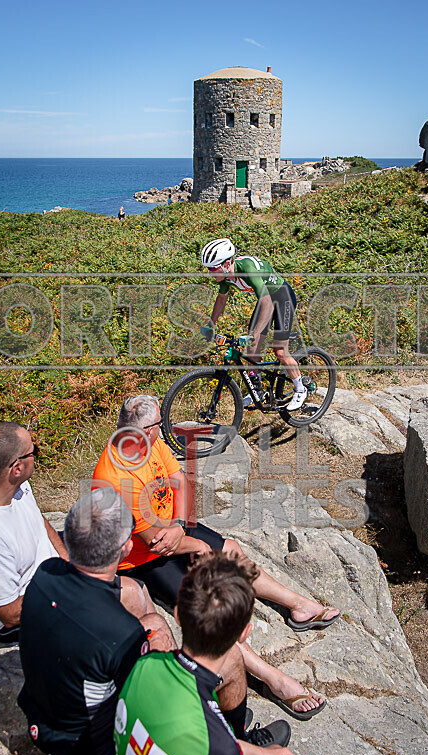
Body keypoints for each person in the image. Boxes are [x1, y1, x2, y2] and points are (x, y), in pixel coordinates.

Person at [93, 395, 341, 721]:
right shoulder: (115, 475)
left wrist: (182, 529)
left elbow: (180, 481)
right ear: (145, 429)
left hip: (175, 531)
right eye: (159, 425)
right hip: (144, 560)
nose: (162, 429)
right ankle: (273, 680)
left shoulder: (150, 444)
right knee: (207, 612)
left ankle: (296, 605)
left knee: (232, 549)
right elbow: (154, 542)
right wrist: (192, 545)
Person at [114, 551, 345, 755]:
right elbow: (212, 752)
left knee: (233, 660)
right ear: (245, 633)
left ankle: (241, 736)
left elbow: (202, 744)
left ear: (178, 615)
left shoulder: (145, 664)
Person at [18, 487, 176, 755]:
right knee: (156, 629)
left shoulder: (46, 572)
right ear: (126, 548)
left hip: (38, 718)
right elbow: (144, 698)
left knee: (141, 609)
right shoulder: (121, 636)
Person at [0, 422, 67, 643]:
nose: (36, 454)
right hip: (13, 620)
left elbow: (39, 522)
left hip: (49, 576)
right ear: (17, 467)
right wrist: (72, 590)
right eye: (33, 451)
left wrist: (69, 564)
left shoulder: (6, 485)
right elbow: (10, 614)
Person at [200, 237, 306, 411]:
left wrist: (253, 335)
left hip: (282, 297)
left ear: (227, 264)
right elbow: (221, 299)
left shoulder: (247, 269)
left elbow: (267, 303)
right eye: (208, 269)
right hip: (266, 300)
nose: (211, 273)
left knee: (280, 351)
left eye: (213, 268)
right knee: (251, 351)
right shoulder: (225, 276)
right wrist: (211, 324)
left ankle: (300, 389)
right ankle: (257, 391)